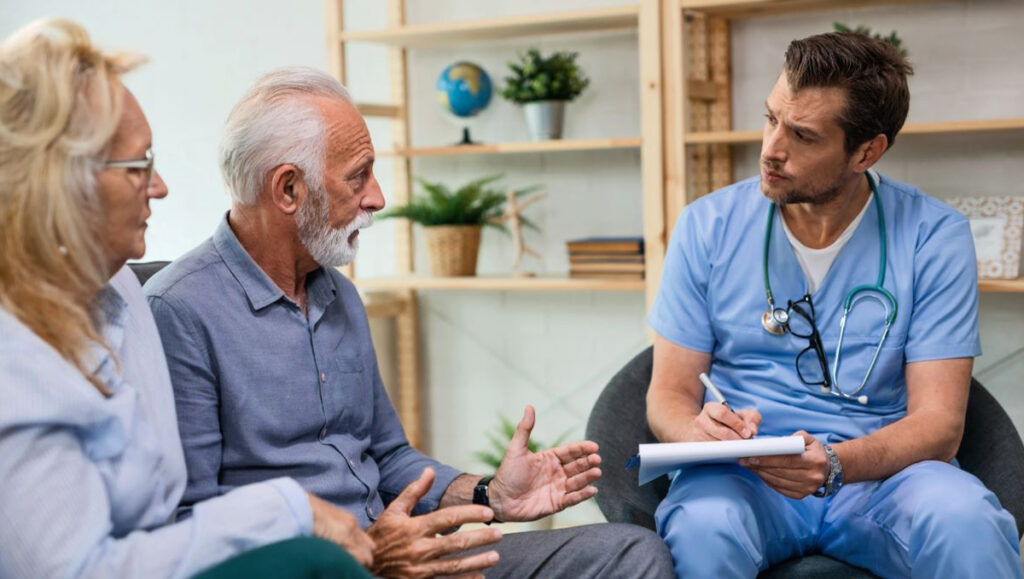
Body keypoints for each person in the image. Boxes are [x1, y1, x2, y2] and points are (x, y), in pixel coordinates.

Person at [143, 65, 674, 578]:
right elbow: (190, 522)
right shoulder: (178, 311)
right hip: (313, 570)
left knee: (632, 555)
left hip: (399, 557)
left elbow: (388, 456)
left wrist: (490, 494)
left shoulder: (340, 295)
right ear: (288, 190)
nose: (377, 197)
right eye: (358, 176)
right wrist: (364, 553)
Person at [0, 19, 376, 578]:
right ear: (62, 183)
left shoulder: (119, 288)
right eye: (139, 166)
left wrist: (483, 492)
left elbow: (162, 518)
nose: (160, 187)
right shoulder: (17, 361)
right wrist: (286, 510)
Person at [646, 30, 1022, 578]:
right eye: (771, 118)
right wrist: (698, 433)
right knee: (704, 529)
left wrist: (837, 464)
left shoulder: (933, 236)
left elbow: (940, 423)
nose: (771, 149)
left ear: (866, 152)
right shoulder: (707, 226)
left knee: (967, 522)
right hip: (744, 478)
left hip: (885, 478)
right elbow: (668, 394)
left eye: (802, 135)